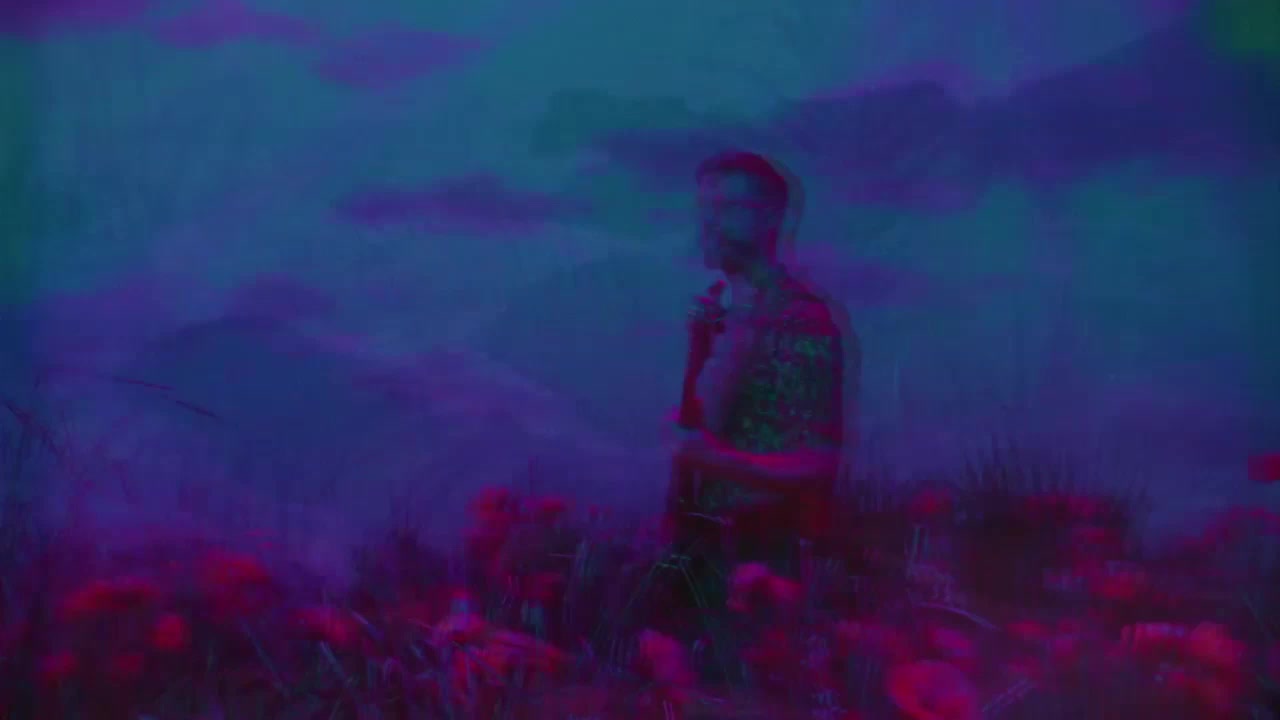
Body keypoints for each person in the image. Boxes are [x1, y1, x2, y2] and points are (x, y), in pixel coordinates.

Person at [664, 150, 856, 595]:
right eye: (705, 209)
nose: (709, 223)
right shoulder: (723, 310)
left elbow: (818, 463)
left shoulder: (797, 318)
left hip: (761, 565)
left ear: (771, 219)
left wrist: (709, 458)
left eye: (726, 208)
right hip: (709, 556)